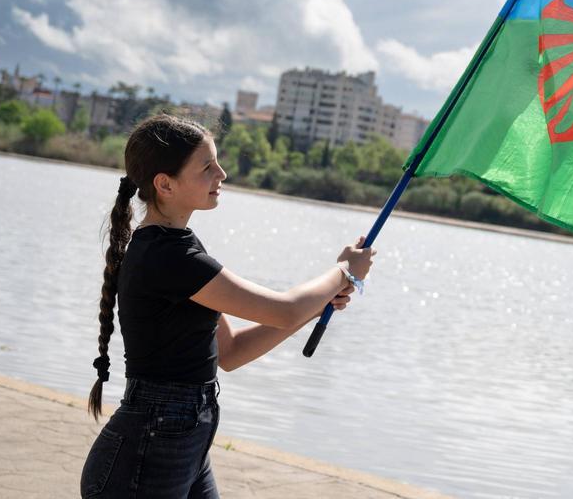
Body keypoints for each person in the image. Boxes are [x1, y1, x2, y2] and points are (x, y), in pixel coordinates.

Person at [80, 113, 374, 498]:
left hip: (180, 440)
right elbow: (284, 309)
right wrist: (344, 272)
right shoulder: (169, 257)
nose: (222, 174)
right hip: (145, 455)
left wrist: (314, 309)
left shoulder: (180, 246)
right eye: (207, 166)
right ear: (165, 184)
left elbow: (231, 352)